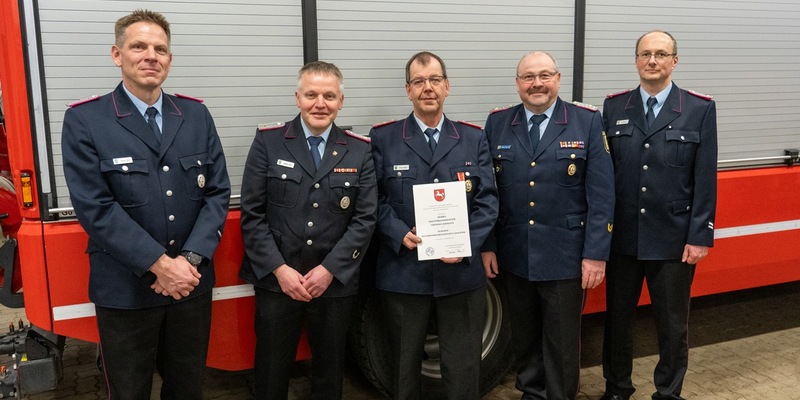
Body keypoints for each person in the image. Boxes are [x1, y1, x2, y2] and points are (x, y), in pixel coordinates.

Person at [61, 9, 231, 400]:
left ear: (170, 59)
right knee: (128, 391)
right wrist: (159, 265)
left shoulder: (195, 115)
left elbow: (217, 192)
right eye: (138, 46)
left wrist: (188, 262)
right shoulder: (86, 120)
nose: (150, 55)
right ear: (117, 54)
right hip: (126, 290)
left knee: (187, 387)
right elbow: (95, 207)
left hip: (190, 286)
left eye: (160, 48)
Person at [239, 61, 377, 400]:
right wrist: (280, 271)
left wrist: (329, 271)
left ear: (341, 102)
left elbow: (365, 218)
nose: (320, 103)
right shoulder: (269, 142)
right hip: (277, 282)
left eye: (329, 96)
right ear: (297, 98)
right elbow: (252, 214)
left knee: (330, 374)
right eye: (312, 94)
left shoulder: (359, 149)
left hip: (332, 285)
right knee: (271, 371)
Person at [481, 51, 615, 400]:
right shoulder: (497, 123)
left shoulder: (586, 121)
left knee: (561, 340)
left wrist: (596, 254)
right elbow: (487, 193)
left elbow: (602, 194)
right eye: (528, 77)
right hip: (515, 254)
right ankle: (532, 392)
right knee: (524, 337)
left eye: (544, 75)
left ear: (558, 79)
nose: (536, 83)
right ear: (518, 83)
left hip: (566, 256)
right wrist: (489, 245)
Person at [369, 51, 499, 400]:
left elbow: (488, 200)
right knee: (402, 368)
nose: (428, 88)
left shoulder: (473, 138)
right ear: (408, 90)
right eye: (419, 81)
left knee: (464, 367)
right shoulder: (383, 138)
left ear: (447, 86)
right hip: (403, 274)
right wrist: (398, 232)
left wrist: (464, 243)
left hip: (460, 276)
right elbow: (373, 201)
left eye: (435, 80)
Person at [599, 31, 717, 400]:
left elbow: (705, 178)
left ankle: (668, 392)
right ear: (636, 60)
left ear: (674, 61)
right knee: (617, 321)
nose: (652, 61)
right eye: (645, 54)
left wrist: (700, 235)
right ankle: (617, 389)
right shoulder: (614, 107)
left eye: (661, 54)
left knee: (671, 326)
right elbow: (605, 175)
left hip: (673, 239)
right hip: (623, 239)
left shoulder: (698, 108)